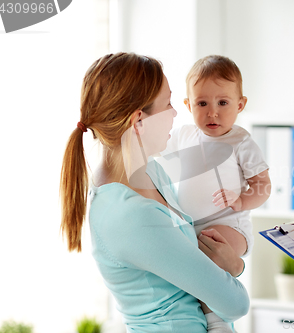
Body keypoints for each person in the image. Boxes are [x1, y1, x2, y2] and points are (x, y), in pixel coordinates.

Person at [59, 52, 249, 333]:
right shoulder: (131, 216)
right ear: (139, 121)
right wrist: (234, 268)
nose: (175, 112)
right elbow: (235, 304)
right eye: (168, 103)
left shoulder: (150, 173)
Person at [162, 55, 271, 259]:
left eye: (222, 102)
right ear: (188, 106)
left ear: (240, 105)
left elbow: (263, 185)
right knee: (175, 255)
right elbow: (156, 149)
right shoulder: (184, 135)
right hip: (189, 226)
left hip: (229, 226)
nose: (212, 112)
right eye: (202, 103)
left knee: (210, 255)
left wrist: (241, 201)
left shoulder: (241, 142)